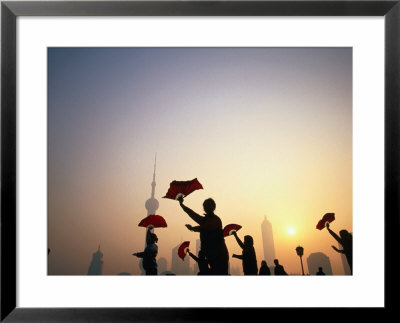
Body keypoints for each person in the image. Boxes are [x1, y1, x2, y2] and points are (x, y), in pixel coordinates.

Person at [178, 196, 229, 275]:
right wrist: (182, 204)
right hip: (209, 254)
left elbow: (206, 227)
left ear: (213, 207)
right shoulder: (204, 220)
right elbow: (192, 214)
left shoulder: (216, 220)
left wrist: (193, 228)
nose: (206, 207)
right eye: (205, 206)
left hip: (219, 255)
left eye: (208, 205)